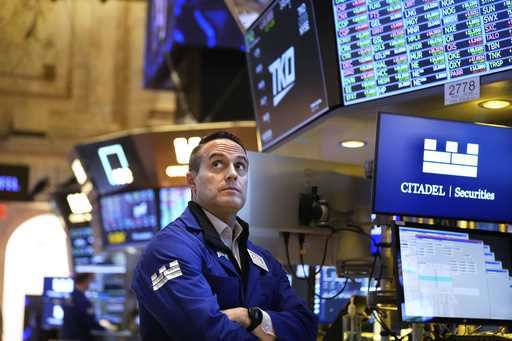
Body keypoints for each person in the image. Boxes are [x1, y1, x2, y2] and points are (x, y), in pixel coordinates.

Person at [132, 131, 318, 340]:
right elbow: (207, 335)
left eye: (240, 166)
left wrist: (252, 317)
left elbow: (307, 326)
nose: (232, 174)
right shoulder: (169, 249)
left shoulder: (262, 259)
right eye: (217, 164)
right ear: (192, 181)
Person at [62, 273, 104, 341]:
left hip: (67, 337)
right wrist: (106, 330)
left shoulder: (69, 298)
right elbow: (90, 322)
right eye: (91, 281)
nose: (90, 284)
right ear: (86, 281)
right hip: (80, 337)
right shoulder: (83, 301)